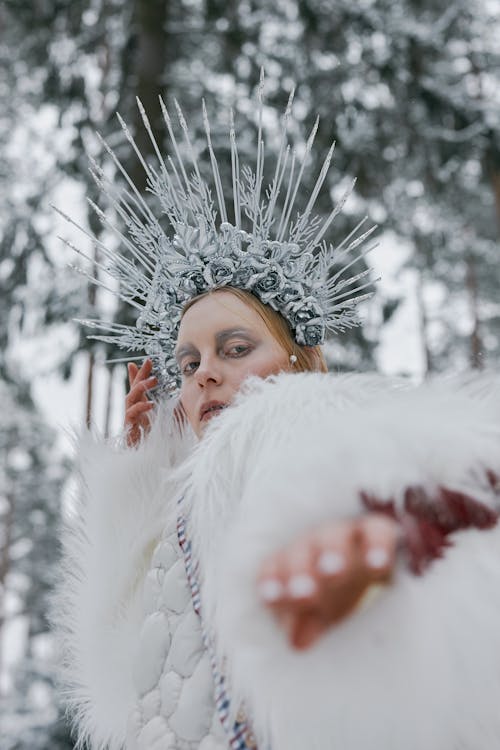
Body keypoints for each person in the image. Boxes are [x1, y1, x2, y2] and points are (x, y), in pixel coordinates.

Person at [54, 82, 500, 750]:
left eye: (235, 348)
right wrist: (143, 482)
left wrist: (382, 543)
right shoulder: (180, 507)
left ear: (299, 360)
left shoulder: (303, 426)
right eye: (187, 361)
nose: (203, 371)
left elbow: (433, 477)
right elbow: (125, 690)